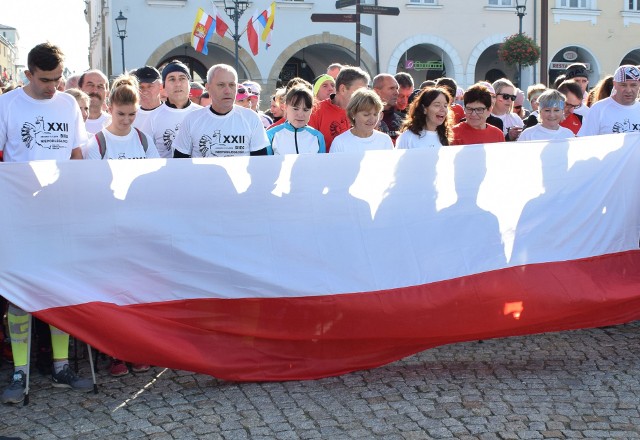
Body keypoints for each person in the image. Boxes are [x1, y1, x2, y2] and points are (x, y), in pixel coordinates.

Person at [0, 43, 91, 404]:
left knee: (58, 289)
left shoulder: (68, 103)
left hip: (61, 211)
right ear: (28, 74)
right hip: (21, 212)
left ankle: (60, 365)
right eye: (44, 80)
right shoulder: (7, 104)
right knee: (20, 294)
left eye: (57, 79)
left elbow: (76, 153)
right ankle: (20, 370)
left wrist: (84, 192)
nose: (53, 86)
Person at [173, 64, 270, 157]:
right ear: (208, 88)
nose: (227, 91)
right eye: (221, 85)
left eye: (232, 85)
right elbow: (179, 163)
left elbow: (260, 163)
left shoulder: (251, 118)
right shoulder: (192, 120)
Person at [85, 75, 159, 160]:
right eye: (121, 114)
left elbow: (156, 172)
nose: (126, 120)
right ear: (110, 109)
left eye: (131, 114)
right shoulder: (97, 143)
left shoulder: (145, 141)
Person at [139, 60, 202, 158]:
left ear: (189, 83)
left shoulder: (201, 114)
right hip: (165, 172)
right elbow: (143, 153)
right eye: (172, 79)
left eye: (182, 78)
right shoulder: (153, 117)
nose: (177, 84)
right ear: (163, 86)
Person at [309, 66, 370, 152]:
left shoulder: (366, 112)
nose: (363, 95)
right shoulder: (316, 111)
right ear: (343, 89)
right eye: (359, 91)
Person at [578, 65, 640, 136]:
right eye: (623, 85)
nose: (628, 90)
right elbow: (584, 140)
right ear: (615, 84)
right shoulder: (598, 109)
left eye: (633, 85)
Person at [330, 88, 394, 153]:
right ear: (353, 113)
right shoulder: (340, 142)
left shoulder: (385, 140)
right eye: (366, 115)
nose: (372, 119)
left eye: (375, 114)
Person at [267, 86, 325, 155]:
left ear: (311, 110)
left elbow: (321, 164)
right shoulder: (271, 135)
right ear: (285, 107)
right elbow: (266, 164)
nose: (300, 114)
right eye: (295, 109)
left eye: (306, 110)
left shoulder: (317, 137)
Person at [372, 73, 403, 144]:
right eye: (391, 88)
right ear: (377, 91)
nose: (397, 93)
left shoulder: (403, 119)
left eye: (397, 88)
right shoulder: (365, 119)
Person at [78, 69, 110, 134]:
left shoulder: (113, 123)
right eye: (90, 85)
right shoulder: (71, 121)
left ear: (107, 93)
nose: (95, 90)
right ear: (79, 89)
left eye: (100, 86)